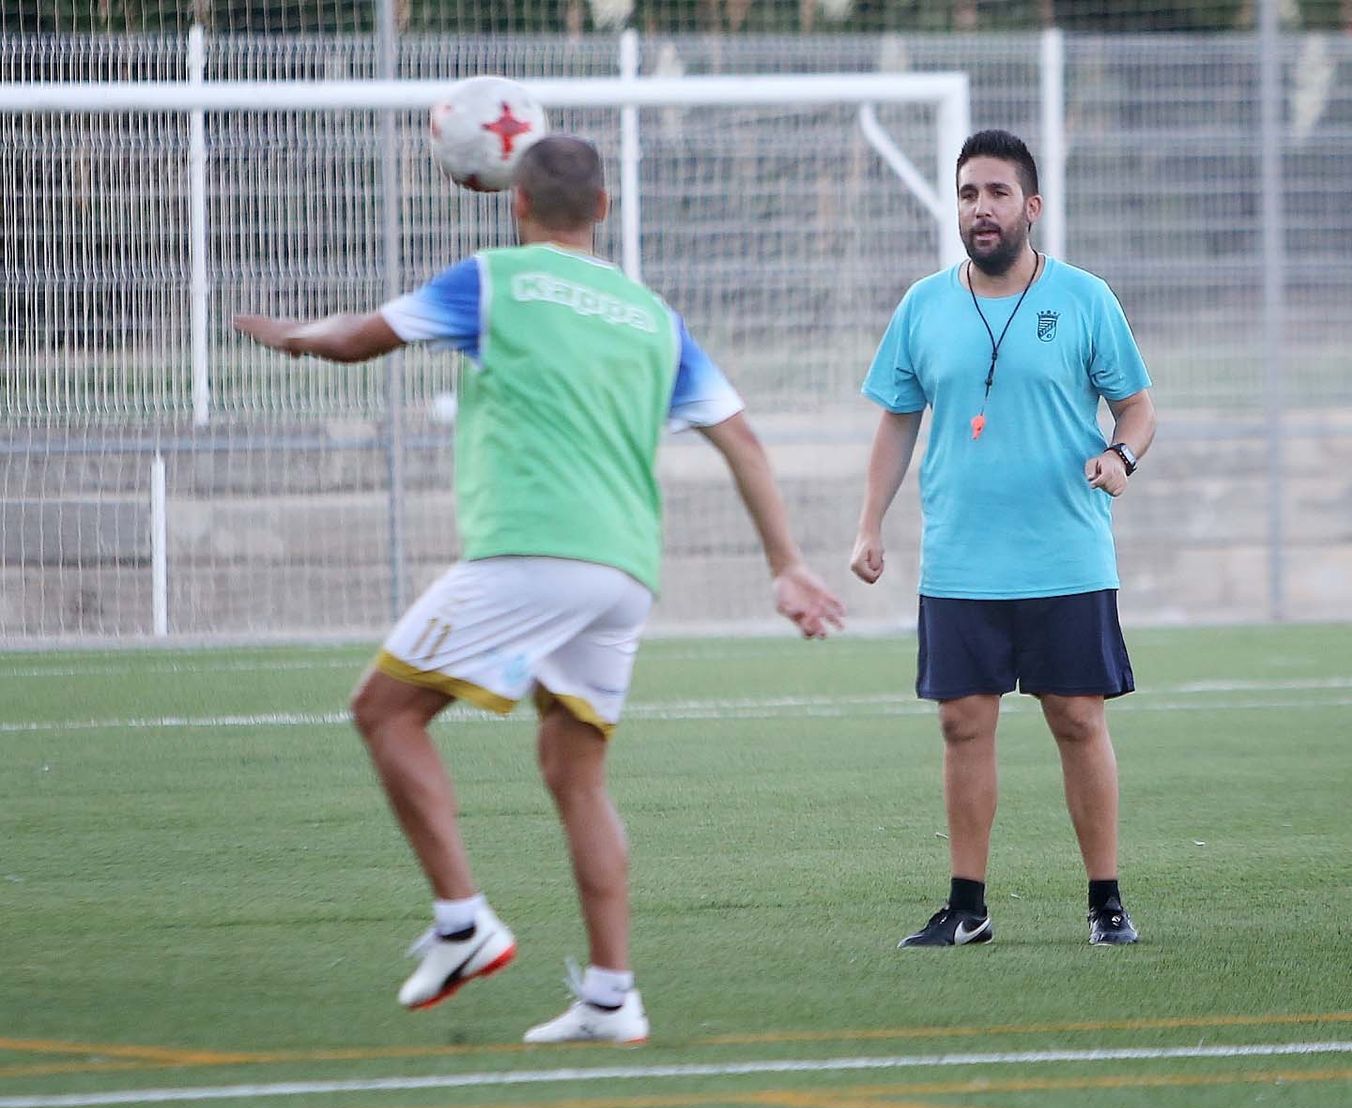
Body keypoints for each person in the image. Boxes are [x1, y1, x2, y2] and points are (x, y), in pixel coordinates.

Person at [234, 134, 844, 1043]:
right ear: (603, 210)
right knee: (573, 769)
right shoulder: (652, 316)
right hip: (625, 572)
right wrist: (785, 563)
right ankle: (611, 994)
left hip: (533, 552)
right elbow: (742, 442)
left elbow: (359, 339)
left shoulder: (493, 279)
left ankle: (462, 924)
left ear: (514, 204)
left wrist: (291, 335)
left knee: (385, 712)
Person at [849, 129, 1155, 949]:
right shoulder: (922, 305)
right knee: (962, 722)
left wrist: (1120, 456)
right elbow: (896, 421)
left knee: (1078, 718)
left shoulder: (1086, 299)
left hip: (1065, 551)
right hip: (960, 557)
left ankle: (1106, 902)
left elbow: (1138, 407)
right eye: (968, 194)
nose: (980, 209)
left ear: (1031, 207)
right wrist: (869, 523)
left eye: (995, 193)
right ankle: (967, 905)